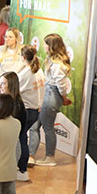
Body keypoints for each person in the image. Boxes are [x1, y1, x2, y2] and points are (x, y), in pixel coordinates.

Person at [34, 33, 72, 167]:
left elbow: (61, 85)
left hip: (52, 96)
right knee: (44, 125)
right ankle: (46, 156)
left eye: (46, 44)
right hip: (50, 94)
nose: (43, 46)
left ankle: (50, 157)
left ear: (51, 46)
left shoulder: (57, 65)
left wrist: (64, 98)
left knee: (48, 127)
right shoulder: (52, 61)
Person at [0, 72, 31, 182]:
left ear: (11, 85)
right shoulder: (13, 101)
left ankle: (22, 170)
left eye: (3, 84)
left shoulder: (16, 105)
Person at [19, 46, 45, 174]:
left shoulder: (25, 74)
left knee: (21, 138)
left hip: (26, 110)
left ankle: (21, 167)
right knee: (23, 136)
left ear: (23, 58)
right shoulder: (39, 71)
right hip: (35, 110)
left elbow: (16, 89)